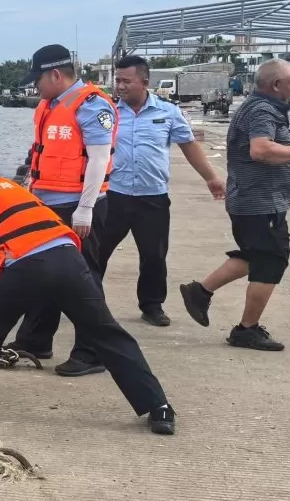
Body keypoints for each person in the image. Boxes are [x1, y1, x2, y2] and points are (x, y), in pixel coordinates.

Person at [0, 156, 175, 435]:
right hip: (70, 261)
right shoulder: (16, 194)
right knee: (106, 332)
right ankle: (159, 407)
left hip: (28, 268)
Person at [180, 58, 290, 350]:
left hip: (255, 200)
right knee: (271, 261)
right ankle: (246, 329)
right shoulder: (261, 109)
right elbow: (260, 149)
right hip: (259, 202)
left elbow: (264, 151)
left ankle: (200, 291)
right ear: (276, 85)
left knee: (256, 255)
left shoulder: (262, 107)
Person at [7, 43, 119, 377]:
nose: (35, 86)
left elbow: (99, 159)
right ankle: (34, 341)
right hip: (48, 204)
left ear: (56, 74)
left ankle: (92, 352)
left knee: (84, 280)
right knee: (44, 273)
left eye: (38, 79)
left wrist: (85, 210)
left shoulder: (91, 105)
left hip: (79, 207)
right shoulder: (50, 105)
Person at [97, 55, 226, 326]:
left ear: (144, 82)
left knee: (154, 256)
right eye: (117, 80)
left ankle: (152, 305)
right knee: (97, 252)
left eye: (126, 81)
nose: (119, 86)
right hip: (113, 195)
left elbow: (189, 146)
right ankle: (89, 303)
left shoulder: (167, 112)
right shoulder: (107, 112)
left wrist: (211, 178)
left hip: (152, 197)